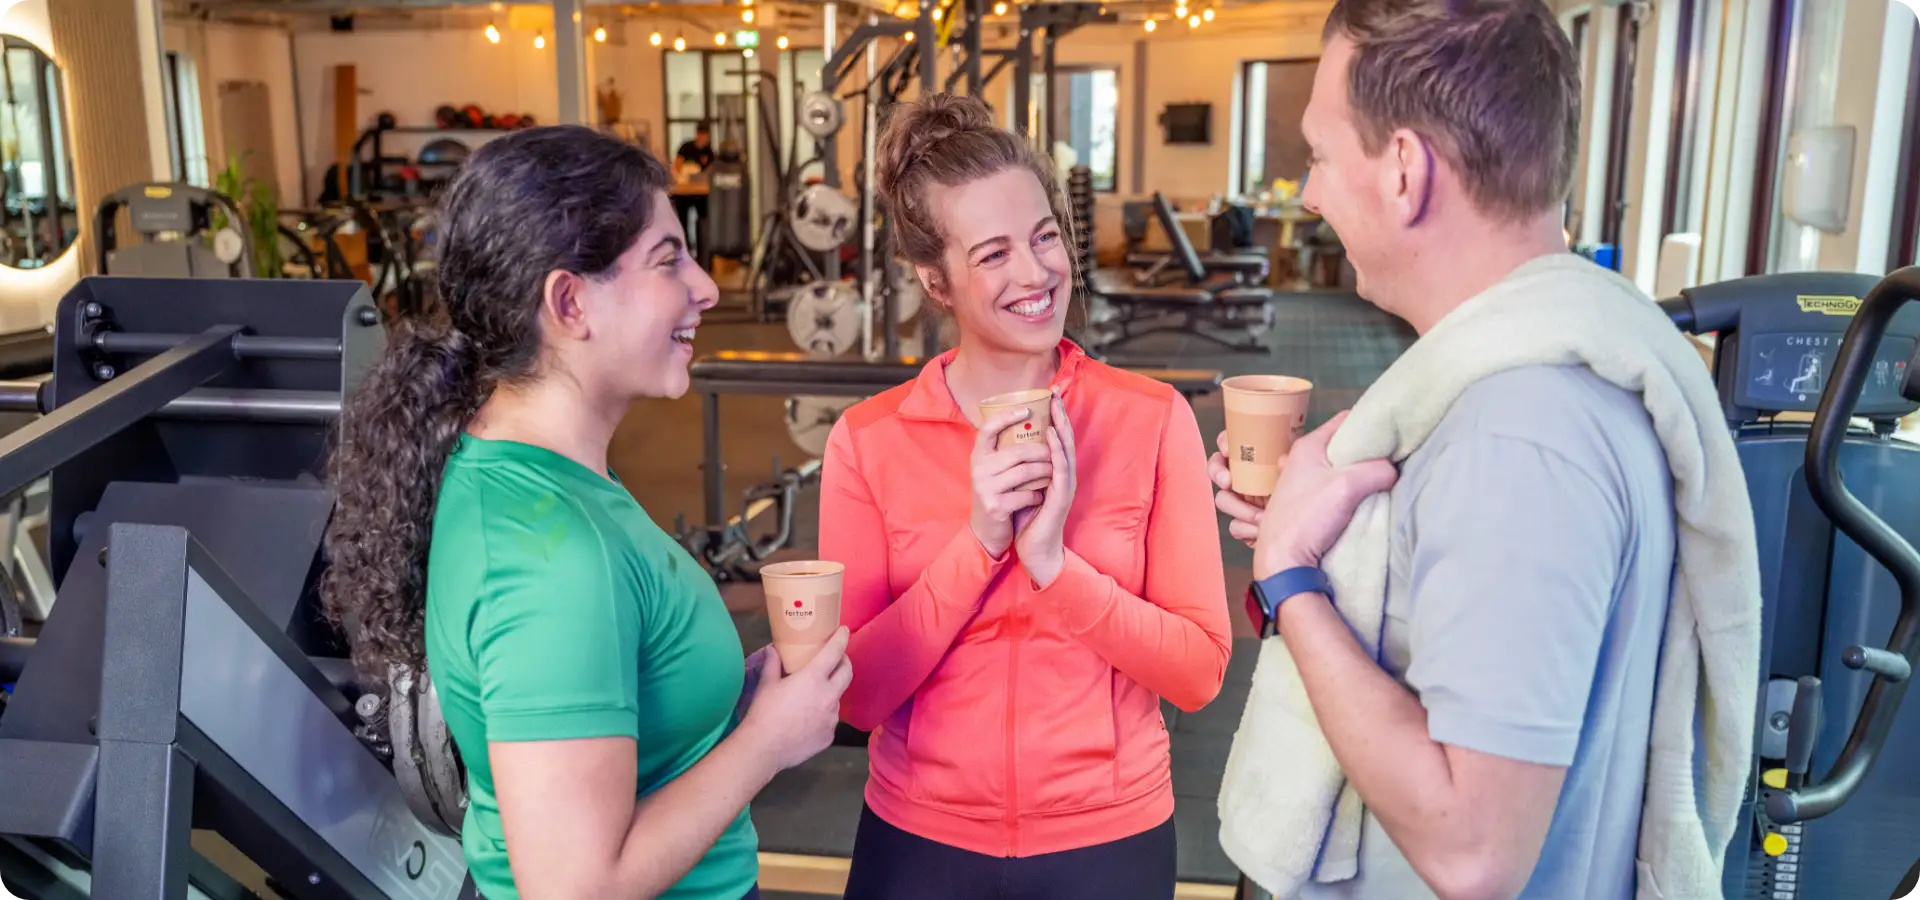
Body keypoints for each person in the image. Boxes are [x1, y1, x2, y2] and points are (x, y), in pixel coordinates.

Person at [1214, 1, 1692, 897]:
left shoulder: (1520, 437)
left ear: (1404, 171)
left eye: (1319, 155)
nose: (1311, 194)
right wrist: (1319, 530)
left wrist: (1290, 579)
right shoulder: (1516, 394)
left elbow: (1473, 851)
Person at [319, 125, 850, 900]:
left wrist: (726, 701)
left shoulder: (538, 480)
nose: (705, 288)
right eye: (669, 260)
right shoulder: (550, 551)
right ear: (569, 302)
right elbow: (575, 889)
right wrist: (769, 741)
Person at [817, 93, 1234, 900]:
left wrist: (1054, 565)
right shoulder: (868, 440)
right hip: (919, 843)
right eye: (994, 254)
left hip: (1108, 841)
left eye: (1045, 238)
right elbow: (859, 696)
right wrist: (978, 546)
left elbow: (1198, 675)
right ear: (935, 280)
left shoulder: (1152, 420)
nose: (1037, 273)